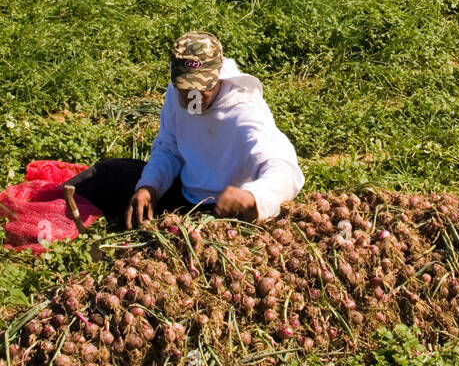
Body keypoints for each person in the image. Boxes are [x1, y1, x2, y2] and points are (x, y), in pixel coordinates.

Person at [62, 31, 304, 228]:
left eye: (201, 88)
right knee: (109, 173)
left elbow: (283, 170)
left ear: (219, 75)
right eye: (185, 88)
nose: (193, 97)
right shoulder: (175, 94)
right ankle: (59, 213)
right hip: (186, 195)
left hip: (225, 212)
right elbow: (168, 148)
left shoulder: (244, 111)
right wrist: (150, 186)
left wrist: (253, 197)